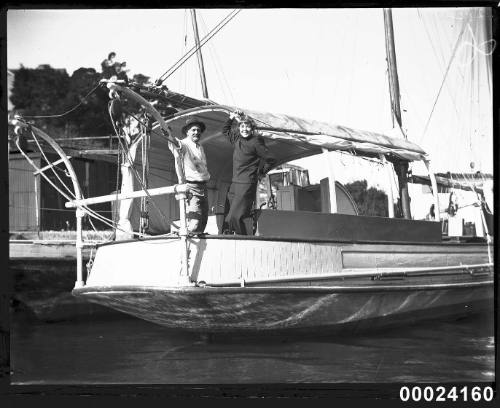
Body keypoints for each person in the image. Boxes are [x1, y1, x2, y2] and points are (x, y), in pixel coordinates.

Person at [222, 110, 276, 235]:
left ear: (252, 128)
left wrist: (260, 172)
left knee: (236, 216)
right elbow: (225, 131)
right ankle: (231, 237)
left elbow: (271, 159)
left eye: (247, 126)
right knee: (228, 215)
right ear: (239, 127)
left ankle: (242, 238)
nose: (244, 129)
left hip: (246, 183)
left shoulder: (256, 142)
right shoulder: (237, 139)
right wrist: (231, 118)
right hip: (234, 183)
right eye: (242, 126)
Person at [169, 116, 210, 234]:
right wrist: (168, 134)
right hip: (192, 187)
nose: (196, 132)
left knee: (203, 221)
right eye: (193, 130)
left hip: (203, 187)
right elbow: (176, 144)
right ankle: (185, 241)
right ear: (187, 132)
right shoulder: (185, 144)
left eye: (198, 130)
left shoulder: (200, 147)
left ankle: (199, 243)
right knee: (194, 221)